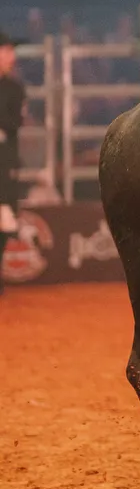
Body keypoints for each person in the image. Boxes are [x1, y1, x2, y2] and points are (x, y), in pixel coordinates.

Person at [0, 32, 27, 296]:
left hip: (4, 165)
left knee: (6, 220)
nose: (11, 57)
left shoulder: (14, 88)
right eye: (6, 51)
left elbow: (15, 123)